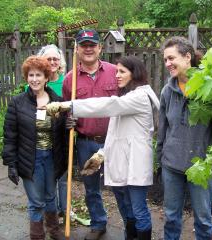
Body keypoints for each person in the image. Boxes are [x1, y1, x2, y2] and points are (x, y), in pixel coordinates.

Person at [44, 55, 160, 240]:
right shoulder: (127, 97)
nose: (117, 75)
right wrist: (101, 154)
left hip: (136, 164)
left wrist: (68, 105)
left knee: (138, 210)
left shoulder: (140, 96)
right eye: (117, 71)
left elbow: (106, 104)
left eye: (122, 72)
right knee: (126, 207)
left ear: (135, 73)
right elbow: (117, 135)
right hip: (123, 161)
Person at [157, 36, 212, 240]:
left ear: (187, 57)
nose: (168, 64)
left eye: (171, 58)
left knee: (203, 219)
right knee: (172, 217)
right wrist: (159, 161)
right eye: (165, 60)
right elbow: (163, 131)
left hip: (202, 166)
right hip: (171, 165)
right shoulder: (167, 91)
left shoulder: (210, 88)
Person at [2, 56, 67, 240]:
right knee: (36, 201)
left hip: (52, 158)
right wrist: (11, 163)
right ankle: (37, 235)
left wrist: (69, 124)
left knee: (50, 196)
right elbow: (10, 135)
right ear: (26, 77)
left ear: (47, 77)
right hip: (30, 158)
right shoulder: (18, 102)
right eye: (31, 75)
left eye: (39, 75)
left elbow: (62, 134)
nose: (35, 79)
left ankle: (54, 231)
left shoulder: (58, 101)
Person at [62, 29, 118, 240]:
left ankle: (131, 224)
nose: (88, 49)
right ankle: (98, 224)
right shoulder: (70, 80)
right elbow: (69, 109)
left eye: (92, 45)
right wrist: (69, 121)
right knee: (92, 188)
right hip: (86, 142)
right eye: (83, 45)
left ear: (100, 48)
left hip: (113, 141)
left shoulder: (115, 72)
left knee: (122, 186)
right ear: (77, 49)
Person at [36, 44, 68, 222]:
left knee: (63, 177)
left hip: (63, 137)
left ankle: (65, 210)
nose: (52, 62)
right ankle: (52, 212)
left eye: (55, 58)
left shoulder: (67, 81)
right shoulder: (36, 82)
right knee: (48, 179)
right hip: (44, 139)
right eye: (48, 59)